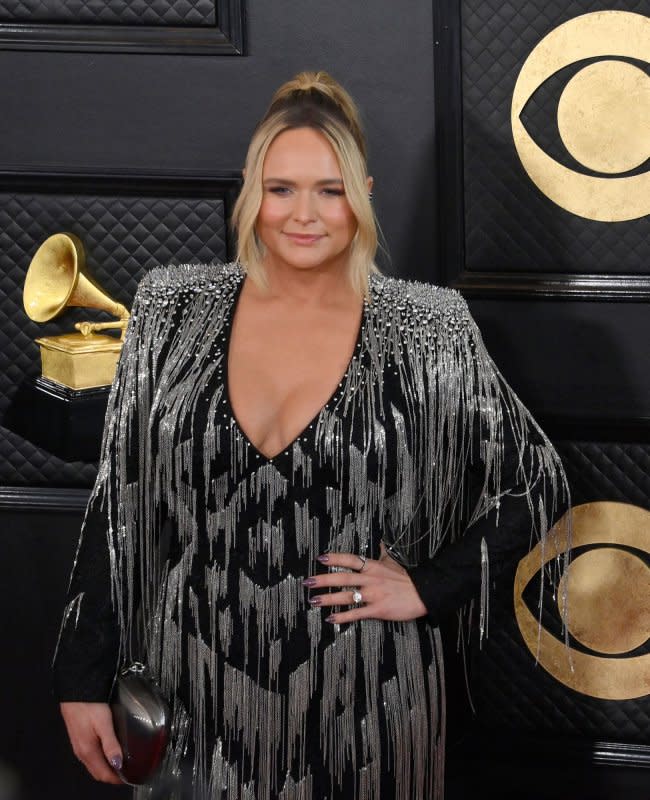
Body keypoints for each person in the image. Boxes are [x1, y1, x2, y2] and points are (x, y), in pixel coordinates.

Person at [53, 71, 569, 799]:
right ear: (250, 190)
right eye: (282, 188)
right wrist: (81, 677)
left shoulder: (427, 325)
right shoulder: (171, 308)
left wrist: (430, 586)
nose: (305, 215)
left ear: (363, 193)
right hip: (191, 687)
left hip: (366, 699)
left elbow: (535, 483)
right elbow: (119, 502)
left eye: (329, 191)